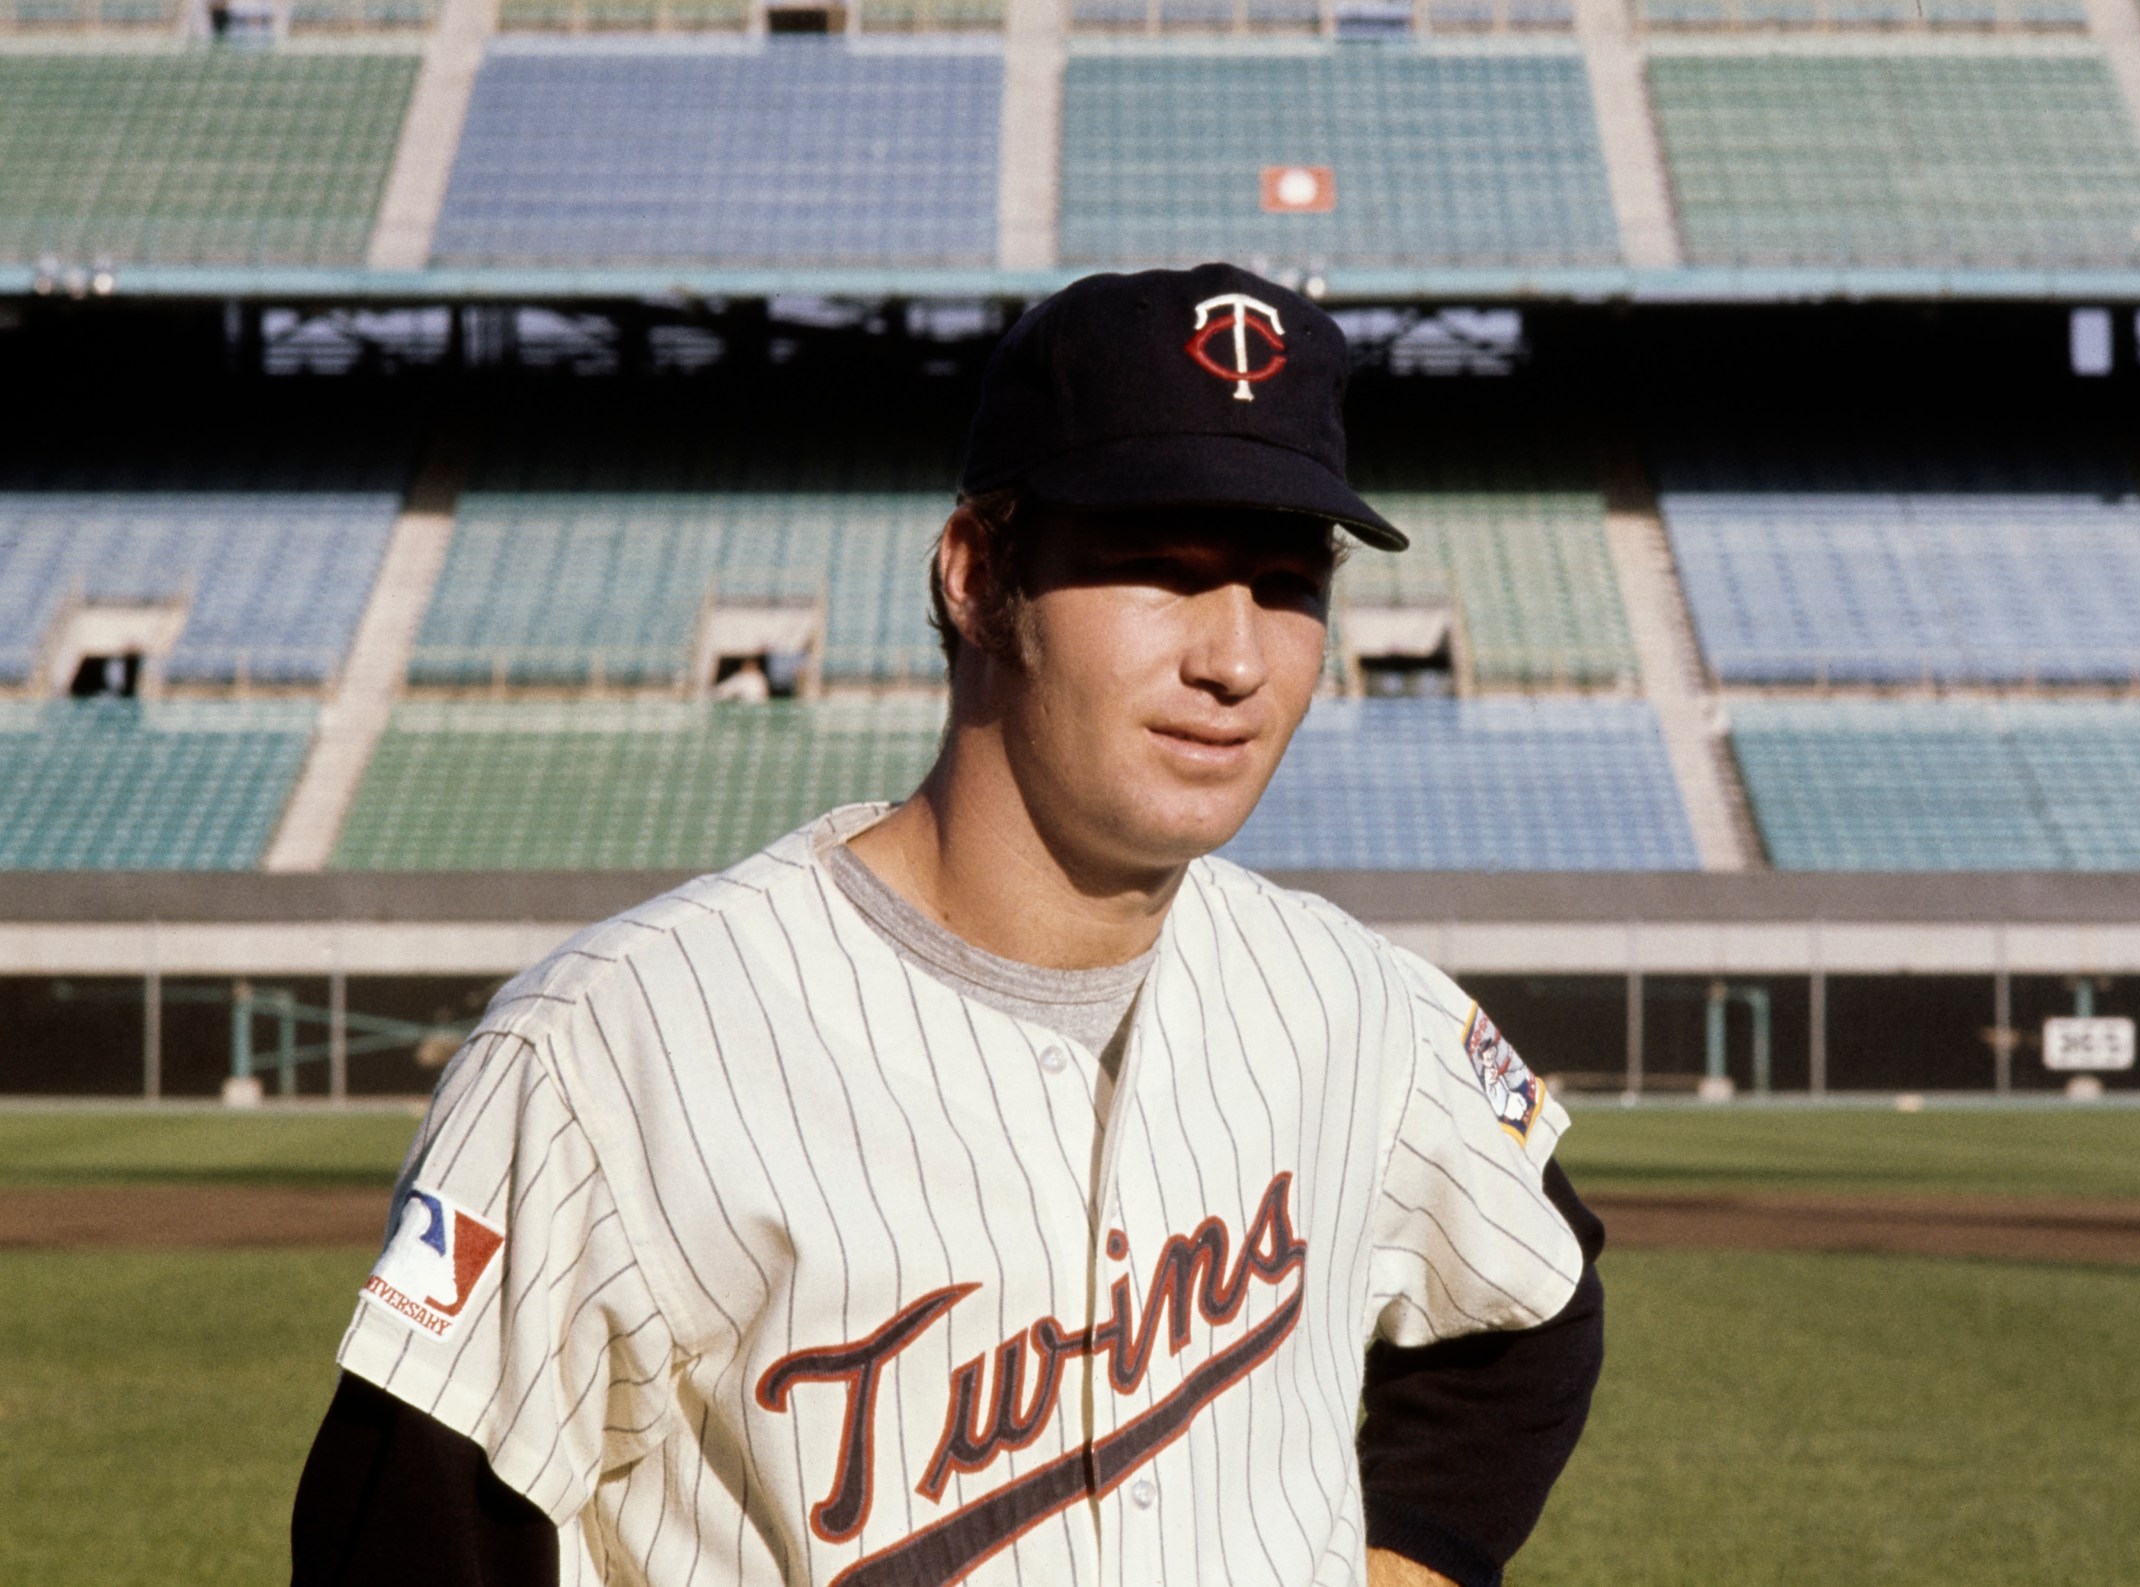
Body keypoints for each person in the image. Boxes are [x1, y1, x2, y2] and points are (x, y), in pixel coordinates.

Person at [291, 263, 1605, 1587]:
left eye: (1284, 583)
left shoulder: (1354, 1006)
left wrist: (1411, 1562)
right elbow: (400, 1541)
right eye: (1157, 567)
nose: (1236, 657)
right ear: (977, 575)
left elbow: (1540, 1303)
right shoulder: (614, 1050)